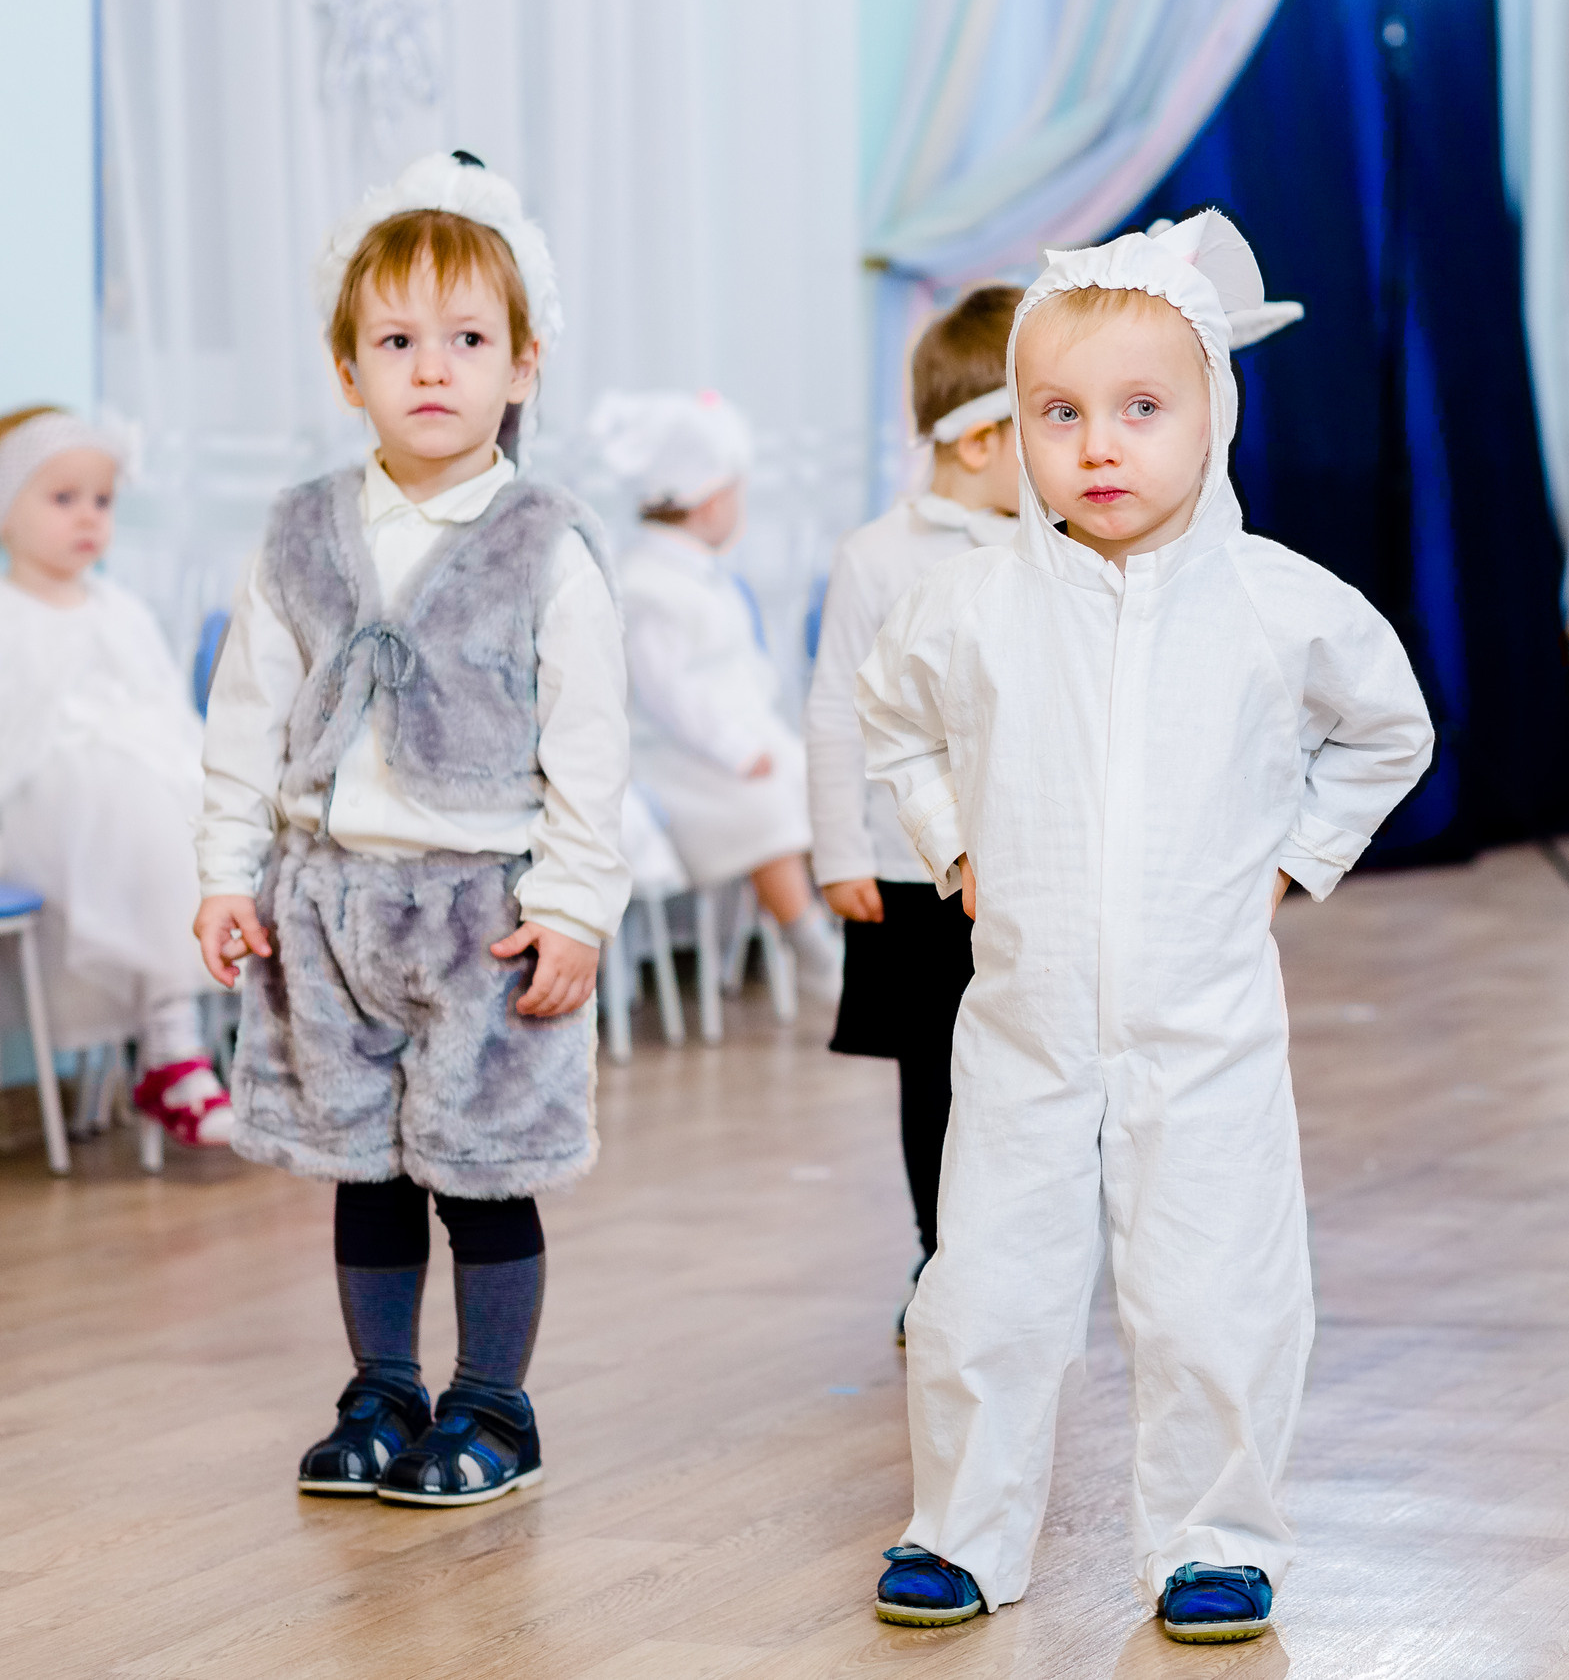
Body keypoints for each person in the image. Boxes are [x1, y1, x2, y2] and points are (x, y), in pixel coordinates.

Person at [855, 212, 1433, 1643]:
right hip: (1024, 1021)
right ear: (1016, 428)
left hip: (1208, 1018)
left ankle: (1216, 1538)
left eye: (1139, 410)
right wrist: (955, 842)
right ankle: (962, 1527)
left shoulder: (1275, 603)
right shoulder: (973, 601)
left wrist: (1294, 862)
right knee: (986, 1279)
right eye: (1059, 414)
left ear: (1213, 414)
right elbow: (892, 720)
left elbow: (1389, 732)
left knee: (1215, 1282)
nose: (1098, 446)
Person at [193, 151, 629, 1509]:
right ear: (347, 369)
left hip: (482, 912)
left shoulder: (546, 541)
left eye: (466, 341)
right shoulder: (299, 533)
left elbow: (594, 749)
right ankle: (383, 1385)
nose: (430, 368)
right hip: (327, 903)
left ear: (523, 365)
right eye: (396, 341)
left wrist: (574, 906)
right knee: (363, 1160)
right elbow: (244, 714)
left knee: (482, 1168)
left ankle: (493, 1401)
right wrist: (227, 870)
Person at [806, 284, 1020, 1342]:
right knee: (932, 1072)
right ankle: (940, 1255)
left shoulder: (1055, 551)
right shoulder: (878, 559)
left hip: (1026, 866)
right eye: (1051, 423)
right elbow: (837, 709)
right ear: (981, 440)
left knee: (1025, 1068)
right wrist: (840, 846)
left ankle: (1021, 1254)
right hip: (907, 869)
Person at [0, 408, 232, 1146]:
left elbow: (163, 710)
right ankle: (170, 1049)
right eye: (62, 499)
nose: (87, 519)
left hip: (129, 796)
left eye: (101, 501)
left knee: (197, 805)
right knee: (123, 796)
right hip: (35, 800)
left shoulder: (120, 608)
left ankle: (204, 1043)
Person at [591, 388, 839, 996]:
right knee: (768, 811)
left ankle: (826, 926)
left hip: (733, 746)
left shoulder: (705, 579)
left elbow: (739, 674)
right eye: (737, 497)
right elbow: (671, 696)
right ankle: (809, 941)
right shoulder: (648, 586)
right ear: (707, 503)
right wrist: (735, 749)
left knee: (818, 783)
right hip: (676, 760)